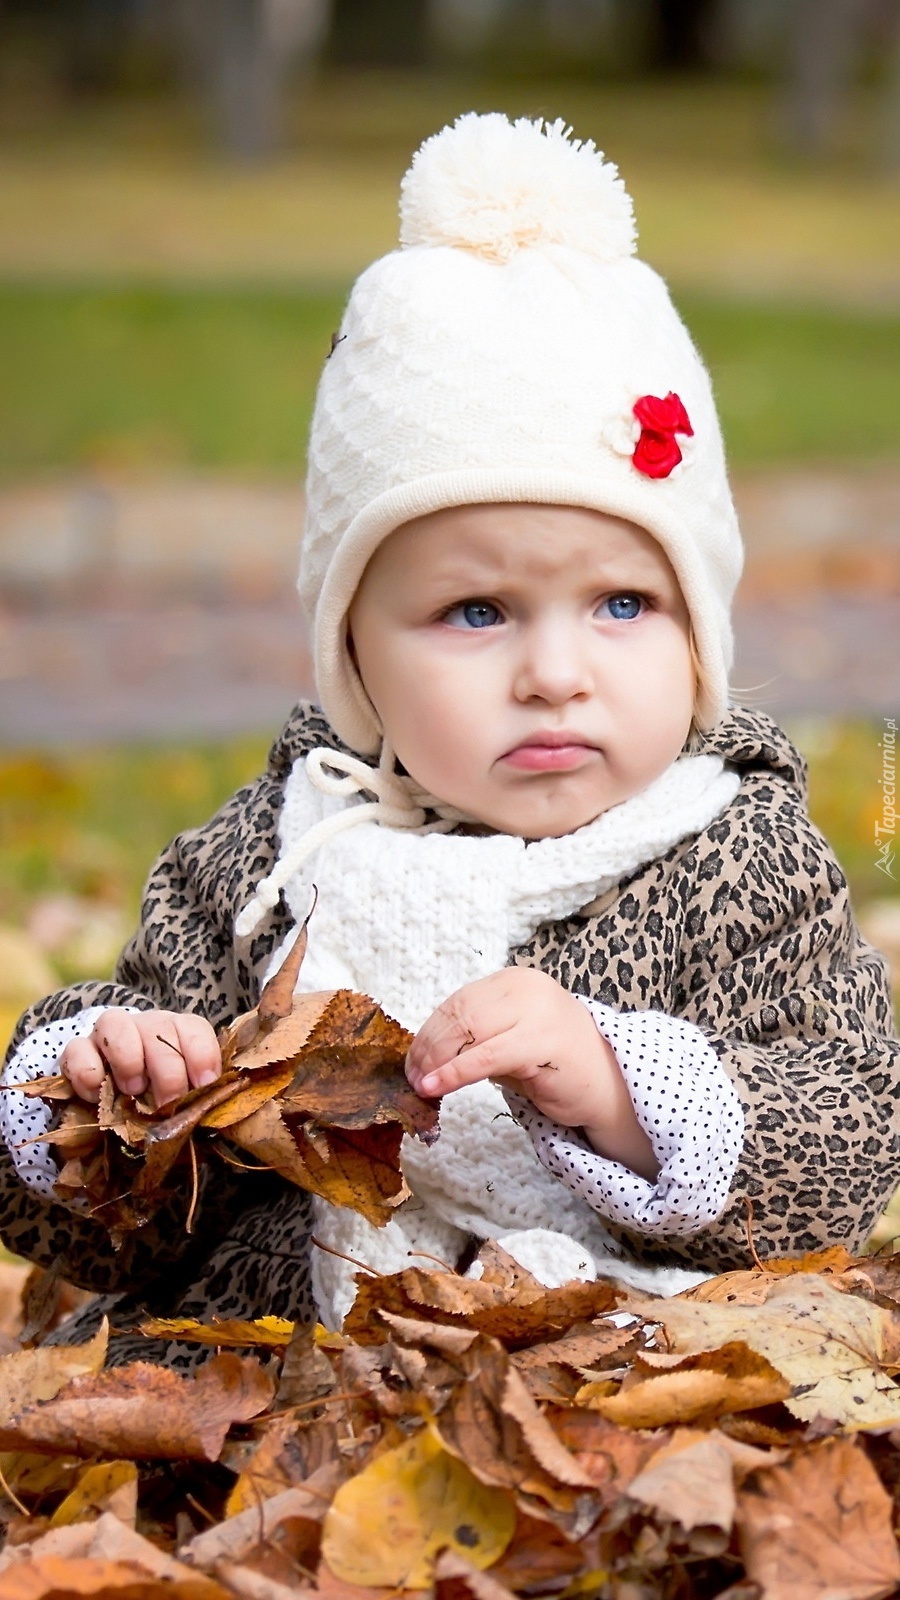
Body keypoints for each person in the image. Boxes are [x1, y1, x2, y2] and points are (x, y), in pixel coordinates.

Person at [2, 113, 897, 1364]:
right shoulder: (279, 856)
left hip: (613, 1362)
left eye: (624, 604)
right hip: (287, 1373)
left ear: (700, 634)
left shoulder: (732, 858)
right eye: (475, 611)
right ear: (355, 652)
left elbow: (850, 1132)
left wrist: (626, 1088)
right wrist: (112, 1095)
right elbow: (116, 1238)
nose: (553, 673)